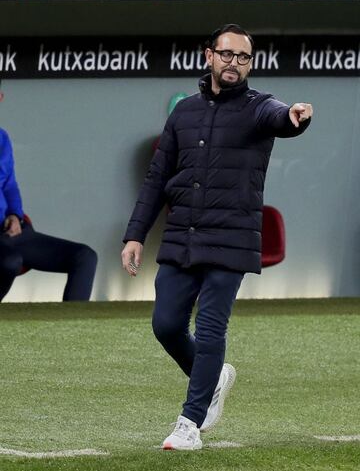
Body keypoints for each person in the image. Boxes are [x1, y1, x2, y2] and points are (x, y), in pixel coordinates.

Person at [121, 24, 313, 451]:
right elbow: (157, 178)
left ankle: (189, 424)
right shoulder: (184, 112)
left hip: (232, 237)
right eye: (227, 54)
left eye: (244, 57)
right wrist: (135, 235)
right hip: (182, 235)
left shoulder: (260, 107)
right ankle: (214, 376)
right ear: (208, 55)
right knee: (166, 325)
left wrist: (294, 117)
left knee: (210, 329)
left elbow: (281, 117)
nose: (235, 63)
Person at [0, 90, 97, 302]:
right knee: (9, 261)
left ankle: (72, 330)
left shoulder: (2, 138)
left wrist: (15, 215)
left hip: (12, 233)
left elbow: (9, 185)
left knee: (85, 257)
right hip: (4, 249)